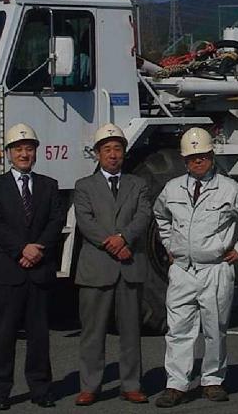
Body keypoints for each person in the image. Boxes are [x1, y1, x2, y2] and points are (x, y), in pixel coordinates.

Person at [152, 127, 238, 407]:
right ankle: (176, 384)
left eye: (203, 156)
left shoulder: (230, 189)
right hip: (182, 269)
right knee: (178, 330)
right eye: (192, 157)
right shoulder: (172, 189)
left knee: (214, 329)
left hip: (215, 268)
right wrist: (169, 244)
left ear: (211, 156)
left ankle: (213, 380)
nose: (198, 161)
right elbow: (161, 216)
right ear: (184, 160)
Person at [0, 123, 65, 411]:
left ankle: (41, 389)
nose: (24, 154)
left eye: (29, 149)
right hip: (9, 271)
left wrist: (38, 248)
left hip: (39, 271)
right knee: (3, 336)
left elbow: (56, 221)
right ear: (8, 153)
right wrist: (21, 249)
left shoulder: (48, 185)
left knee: (39, 337)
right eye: (18, 149)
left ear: (36, 152)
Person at [73, 123, 152, 406]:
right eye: (107, 149)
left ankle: (131, 384)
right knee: (92, 333)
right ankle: (90, 386)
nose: (113, 154)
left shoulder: (138, 184)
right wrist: (111, 243)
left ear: (124, 153)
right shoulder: (84, 186)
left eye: (117, 149)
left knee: (131, 332)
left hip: (129, 266)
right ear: (98, 154)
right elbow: (86, 221)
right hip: (97, 267)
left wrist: (124, 238)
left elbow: (143, 215)